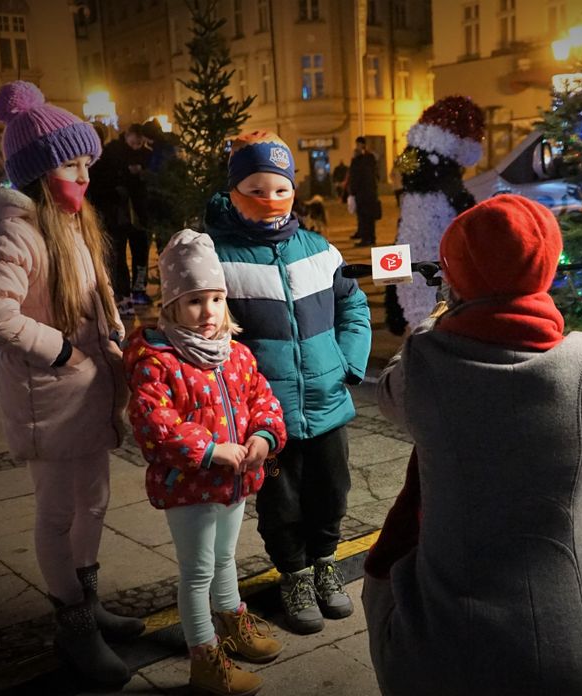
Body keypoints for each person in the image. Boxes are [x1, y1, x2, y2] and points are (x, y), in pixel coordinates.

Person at [362, 195, 582, 696]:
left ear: (457, 277)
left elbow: (392, 385)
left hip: (444, 651)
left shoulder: (425, 366)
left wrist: (441, 312)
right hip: (570, 647)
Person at [0, 80, 143, 687]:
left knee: (93, 503)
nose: (86, 176)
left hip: (90, 390)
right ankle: (72, 628)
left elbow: (98, 295)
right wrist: (63, 350)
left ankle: (89, 603)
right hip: (52, 395)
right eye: (74, 165)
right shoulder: (15, 230)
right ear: (42, 171)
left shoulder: (72, 221)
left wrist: (116, 341)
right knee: (57, 511)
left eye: (87, 163)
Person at [204, 131, 372, 635]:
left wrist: (347, 362)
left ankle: (325, 563)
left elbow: (354, 306)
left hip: (327, 402)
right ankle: (294, 574)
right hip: (266, 415)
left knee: (332, 491)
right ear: (234, 192)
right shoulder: (220, 258)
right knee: (281, 503)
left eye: (280, 188)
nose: (270, 200)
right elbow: (209, 329)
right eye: (255, 188)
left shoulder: (318, 250)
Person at [124, 229, 288, 696]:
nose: (208, 312)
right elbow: (154, 421)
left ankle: (231, 619)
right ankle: (203, 655)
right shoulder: (158, 359)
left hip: (234, 482)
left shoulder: (235, 354)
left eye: (216, 298)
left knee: (225, 560)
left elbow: (262, 399)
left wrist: (262, 436)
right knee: (197, 572)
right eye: (195, 300)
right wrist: (210, 450)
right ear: (173, 305)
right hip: (188, 484)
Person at [95, 123, 152, 310]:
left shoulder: (147, 154)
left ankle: (137, 291)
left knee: (140, 254)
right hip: (118, 214)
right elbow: (105, 184)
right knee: (118, 256)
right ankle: (123, 294)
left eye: (140, 140)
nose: (137, 143)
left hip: (139, 213)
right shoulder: (112, 153)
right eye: (134, 139)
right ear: (126, 135)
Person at [346, 136, 380, 246]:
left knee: (366, 216)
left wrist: (353, 190)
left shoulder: (366, 158)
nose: (357, 147)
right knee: (363, 216)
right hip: (366, 192)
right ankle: (367, 236)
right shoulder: (364, 158)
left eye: (358, 144)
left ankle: (367, 238)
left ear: (363, 145)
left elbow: (358, 175)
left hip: (365, 192)